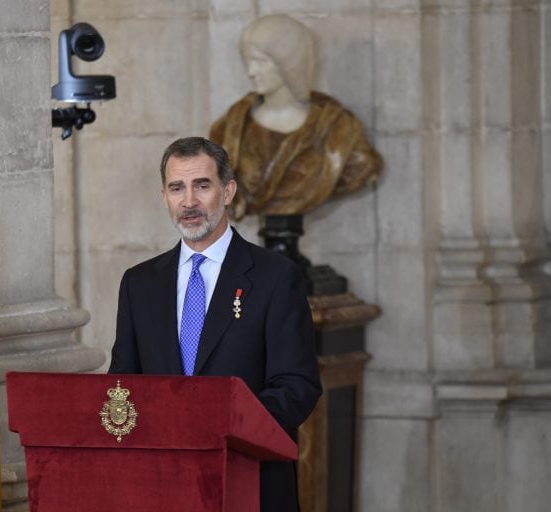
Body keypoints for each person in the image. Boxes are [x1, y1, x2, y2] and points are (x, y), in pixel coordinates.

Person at [109, 136, 322, 512]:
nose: (189, 201)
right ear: (164, 197)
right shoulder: (139, 283)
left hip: (249, 481)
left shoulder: (276, 277)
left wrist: (221, 426)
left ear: (227, 191)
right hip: (162, 486)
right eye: (177, 188)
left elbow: (297, 386)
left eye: (201, 185)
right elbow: (124, 383)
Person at [210, 14, 382, 221]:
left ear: (288, 64)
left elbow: (362, 171)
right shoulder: (228, 130)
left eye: (260, 62)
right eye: (247, 61)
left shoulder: (337, 129)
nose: (251, 71)